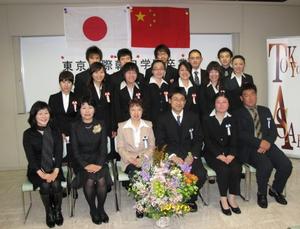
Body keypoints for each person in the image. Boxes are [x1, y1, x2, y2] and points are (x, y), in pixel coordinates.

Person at [234, 83, 292, 209]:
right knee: (266, 165)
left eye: (252, 94)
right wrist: (259, 143)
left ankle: (276, 189)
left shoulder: (265, 110)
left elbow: (273, 131)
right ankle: (262, 193)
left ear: (256, 95)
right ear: (241, 98)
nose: (250, 98)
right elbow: (241, 134)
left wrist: (267, 143)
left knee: (286, 165)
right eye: (246, 95)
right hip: (249, 148)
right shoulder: (237, 113)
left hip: (268, 144)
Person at [156, 87, 207, 212]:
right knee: (170, 175)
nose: (179, 102)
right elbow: (160, 141)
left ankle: (190, 198)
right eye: (175, 99)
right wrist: (172, 156)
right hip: (172, 155)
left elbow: (199, 138)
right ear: (169, 101)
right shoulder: (162, 118)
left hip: (189, 154)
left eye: (182, 100)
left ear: (185, 102)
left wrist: (193, 155)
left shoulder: (193, 117)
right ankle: (175, 197)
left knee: (201, 174)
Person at [70, 97, 112, 224]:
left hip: (99, 160)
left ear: (94, 110)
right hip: (81, 162)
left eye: (90, 107)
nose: (87, 111)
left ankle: (101, 208)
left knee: (101, 179)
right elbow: (75, 151)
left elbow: (104, 147)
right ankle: (93, 209)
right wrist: (86, 165)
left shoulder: (101, 124)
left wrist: (99, 164)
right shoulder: (74, 126)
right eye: (83, 107)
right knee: (89, 180)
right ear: (79, 110)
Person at [23, 101, 64, 228]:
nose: (44, 116)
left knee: (56, 183)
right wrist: (42, 174)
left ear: (50, 115)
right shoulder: (28, 134)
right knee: (45, 185)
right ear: (34, 116)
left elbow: (58, 153)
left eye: (46, 113)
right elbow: (31, 157)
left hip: (54, 167)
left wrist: (55, 171)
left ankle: (57, 210)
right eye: (40, 113)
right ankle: (49, 212)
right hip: (36, 169)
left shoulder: (55, 131)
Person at [203, 93, 242, 216]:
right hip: (212, 153)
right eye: (218, 102)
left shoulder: (232, 118)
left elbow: (235, 139)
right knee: (223, 169)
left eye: (224, 102)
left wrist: (232, 154)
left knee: (236, 168)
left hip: (229, 152)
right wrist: (218, 155)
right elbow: (207, 140)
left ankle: (232, 197)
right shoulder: (207, 118)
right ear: (214, 104)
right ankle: (223, 198)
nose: (221, 105)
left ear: (228, 104)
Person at [116, 99, 155, 218]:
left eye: (139, 109)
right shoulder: (122, 126)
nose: (136, 112)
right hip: (128, 159)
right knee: (135, 174)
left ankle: (147, 201)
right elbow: (120, 147)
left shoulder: (148, 125)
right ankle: (141, 203)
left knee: (146, 173)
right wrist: (131, 159)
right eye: (133, 109)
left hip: (145, 158)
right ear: (129, 111)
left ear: (142, 111)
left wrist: (142, 159)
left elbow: (152, 146)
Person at [48, 70, 78, 164]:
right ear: (59, 83)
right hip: (58, 133)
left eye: (69, 82)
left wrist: (72, 133)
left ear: (72, 84)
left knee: (74, 158)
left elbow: (79, 117)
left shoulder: (77, 97)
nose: (66, 85)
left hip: (74, 133)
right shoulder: (53, 98)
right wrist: (60, 132)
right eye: (63, 82)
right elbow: (51, 118)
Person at [114, 62, 150, 128]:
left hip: (140, 124)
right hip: (123, 124)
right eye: (128, 73)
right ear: (124, 74)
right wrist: (117, 126)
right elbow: (116, 109)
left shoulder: (142, 88)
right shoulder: (117, 89)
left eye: (134, 73)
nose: (131, 75)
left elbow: (145, 107)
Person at [147, 59, 170, 131]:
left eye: (161, 69)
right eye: (156, 69)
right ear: (152, 71)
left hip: (166, 122)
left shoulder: (167, 86)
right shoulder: (146, 86)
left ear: (164, 71)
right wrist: (148, 122)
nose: (159, 71)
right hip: (151, 123)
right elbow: (145, 106)